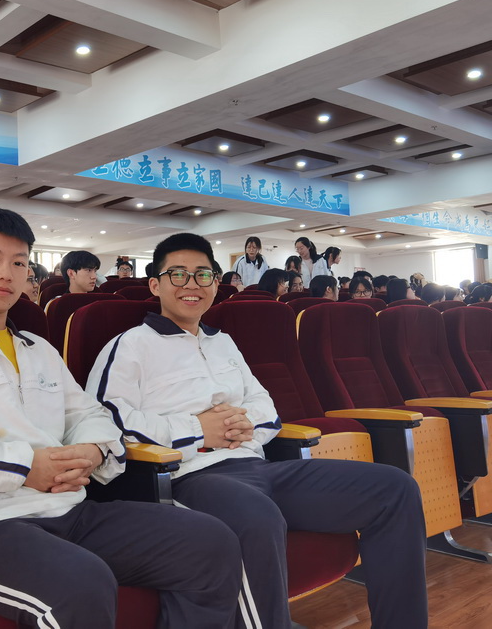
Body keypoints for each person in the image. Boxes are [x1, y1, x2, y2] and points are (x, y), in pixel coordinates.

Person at [0, 208, 243, 627]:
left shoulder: (39, 350)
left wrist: (92, 451)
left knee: (210, 542)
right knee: (81, 584)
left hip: (70, 508)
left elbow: (88, 413)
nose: (6, 273)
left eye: (19, 263)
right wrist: (24, 467)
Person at [87, 232, 428, 629]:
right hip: (187, 477)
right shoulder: (130, 345)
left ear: (216, 282)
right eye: (177, 274)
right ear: (155, 284)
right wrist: (198, 431)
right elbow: (108, 421)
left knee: (394, 489)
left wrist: (246, 424)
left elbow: (265, 404)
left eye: (203, 275)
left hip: (258, 466)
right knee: (256, 518)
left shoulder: (223, 343)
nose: (192, 284)